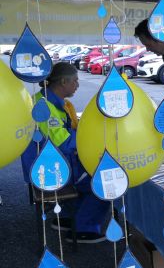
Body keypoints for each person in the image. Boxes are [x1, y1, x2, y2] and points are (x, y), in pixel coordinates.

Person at [21, 62, 107, 243]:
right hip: (49, 171)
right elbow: (65, 143)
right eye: (75, 80)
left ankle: (68, 217)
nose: (78, 85)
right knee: (103, 181)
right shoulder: (44, 107)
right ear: (63, 82)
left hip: (51, 163)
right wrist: (95, 138)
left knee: (92, 171)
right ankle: (84, 229)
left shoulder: (49, 100)